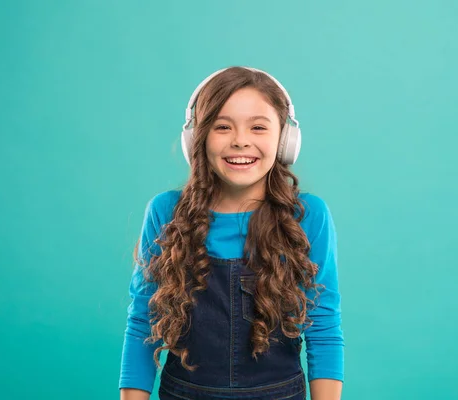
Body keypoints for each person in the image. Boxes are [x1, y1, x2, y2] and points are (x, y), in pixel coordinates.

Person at [119, 66, 344, 400]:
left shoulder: (308, 216)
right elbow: (143, 323)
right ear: (197, 138)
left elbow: (323, 325)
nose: (240, 140)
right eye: (222, 127)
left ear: (284, 139)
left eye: (258, 127)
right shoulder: (165, 212)